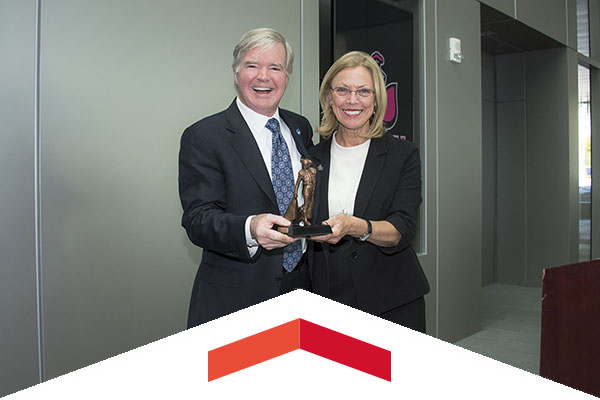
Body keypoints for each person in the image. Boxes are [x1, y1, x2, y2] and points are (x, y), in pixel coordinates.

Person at [178, 28, 314, 328]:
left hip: (302, 287)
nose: (263, 77)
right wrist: (249, 228)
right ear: (236, 73)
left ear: (287, 76)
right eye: (253, 65)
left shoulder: (301, 127)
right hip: (237, 301)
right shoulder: (204, 136)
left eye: (275, 67)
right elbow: (198, 219)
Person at [309, 51, 430, 332]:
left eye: (364, 91)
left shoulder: (403, 155)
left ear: (377, 100)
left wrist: (356, 226)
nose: (353, 100)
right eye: (342, 90)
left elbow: (403, 228)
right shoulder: (311, 158)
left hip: (390, 301)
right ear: (329, 97)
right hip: (327, 300)